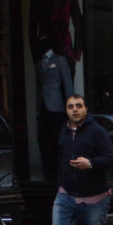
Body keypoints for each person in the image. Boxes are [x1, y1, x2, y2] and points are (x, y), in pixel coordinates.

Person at [40, 94, 113, 225]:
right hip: (66, 194)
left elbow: (110, 159)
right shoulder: (63, 131)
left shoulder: (97, 132)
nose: (75, 109)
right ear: (66, 110)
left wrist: (89, 164)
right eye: (70, 106)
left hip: (94, 198)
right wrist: (61, 183)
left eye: (79, 106)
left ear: (86, 109)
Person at [34, 36, 73, 184]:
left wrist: (70, 108)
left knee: (58, 141)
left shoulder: (59, 61)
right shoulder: (38, 63)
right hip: (44, 108)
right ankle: (48, 173)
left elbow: (67, 85)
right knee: (43, 140)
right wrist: (38, 109)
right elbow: (38, 88)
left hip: (56, 108)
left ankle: (60, 172)